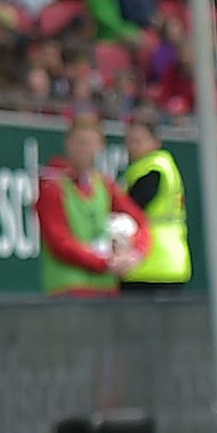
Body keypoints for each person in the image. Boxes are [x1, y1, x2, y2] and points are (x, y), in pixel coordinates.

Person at [39, 116, 150, 298]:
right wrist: (104, 263)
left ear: (100, 147)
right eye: (79, 142)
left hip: (105, 288)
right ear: (67, 143)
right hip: (68, 288)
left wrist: (134, 253)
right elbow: (59, 241)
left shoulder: (104, 185)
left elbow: (139, 221)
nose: (83, 149)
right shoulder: (53, 187)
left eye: (89, 143)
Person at [118, 112, 190, 295]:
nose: (131, 147)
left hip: (148, 263)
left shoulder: (152, 169)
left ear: (155, 142)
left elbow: (133, 207)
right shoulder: (166, 165)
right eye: (129, 141)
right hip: (173, 262)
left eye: (138, 141)